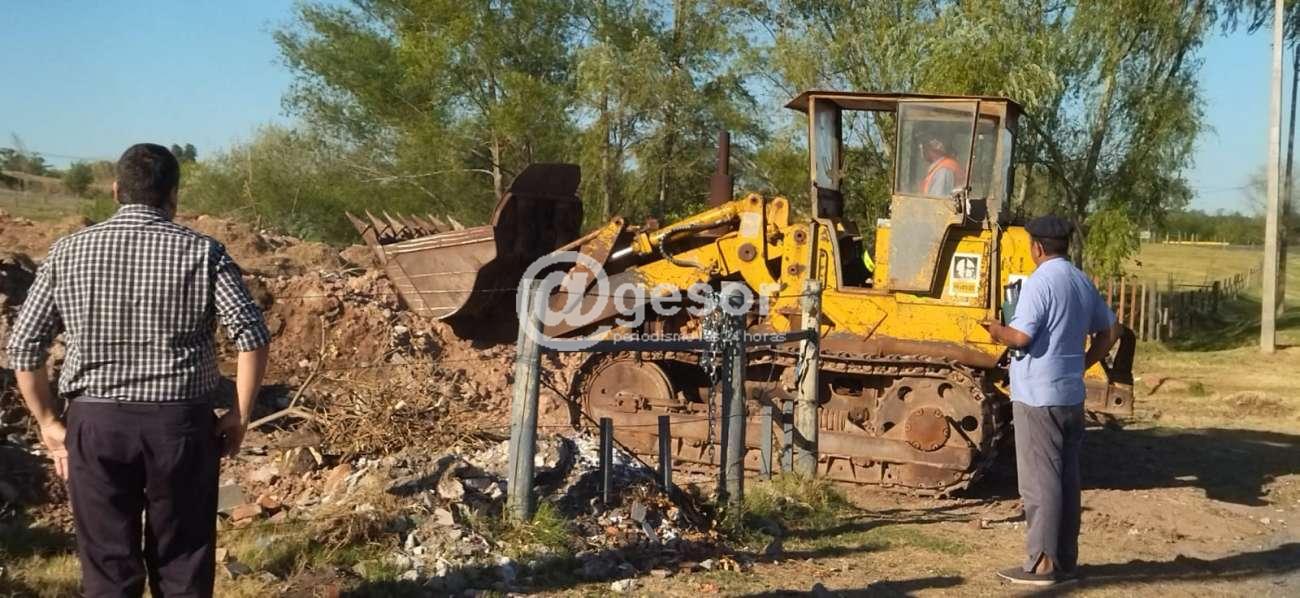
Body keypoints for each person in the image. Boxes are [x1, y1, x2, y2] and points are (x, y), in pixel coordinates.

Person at [6, 143, 271, 597]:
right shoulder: (203, 252)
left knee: (108, 570)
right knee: (183, 562)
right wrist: (239, 415)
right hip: (180, 428)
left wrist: (48, 421)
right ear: (174, 195)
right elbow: (252, 336)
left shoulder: (67, 252)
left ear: (116, 190)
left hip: (97, 427)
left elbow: (25, 345)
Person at [979, 214, 1120, 587]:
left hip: (1037, 397)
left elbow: (1021, 337)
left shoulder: (1039, 282)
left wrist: (996, 330)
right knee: (1066, 479)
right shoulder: (1079, 279)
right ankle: (1066, 561)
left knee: (1039, 482)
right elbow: (1111, 330)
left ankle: (1042, 565)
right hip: (1070, 395)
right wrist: (1083, 364)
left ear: (1037, 246)